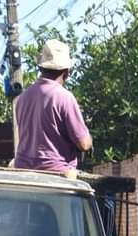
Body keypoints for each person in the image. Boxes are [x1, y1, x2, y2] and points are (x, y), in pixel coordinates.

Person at [13, 39, 93, 175]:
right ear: (66, 72)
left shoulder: (22, 98)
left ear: (41, 68)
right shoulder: (65, 97)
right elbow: (84, 144)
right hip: (56, 172)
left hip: (23, 171)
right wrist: (89, 139)